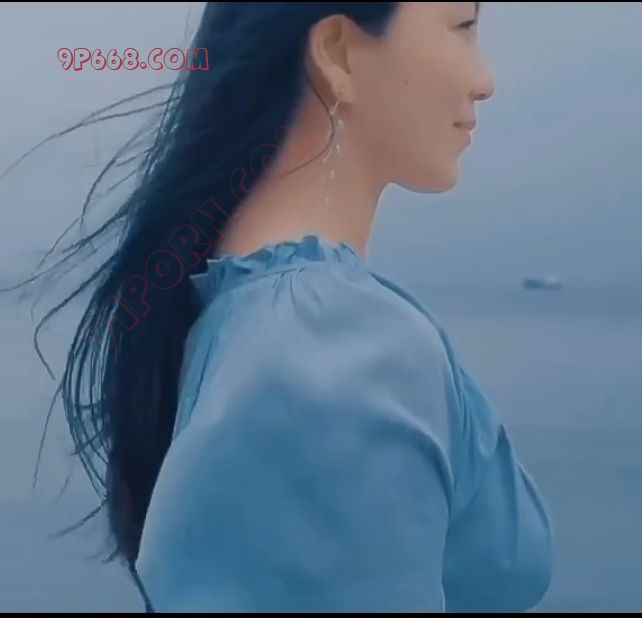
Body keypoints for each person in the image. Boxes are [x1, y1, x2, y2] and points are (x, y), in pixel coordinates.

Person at [7, 2, 554, 612]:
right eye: (462, 26)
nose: (485, 80)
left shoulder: (247, 320)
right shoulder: (333, 350)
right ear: (338, 54)